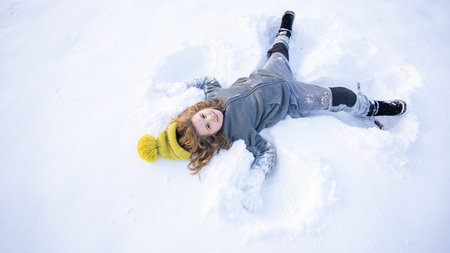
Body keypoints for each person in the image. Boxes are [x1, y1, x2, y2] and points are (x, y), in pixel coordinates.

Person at [137, 11, 406, 211]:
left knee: (279, 51)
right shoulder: (236, 135)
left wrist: (178, 87)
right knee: (341, 96)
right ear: (211, 139)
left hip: (269, 73)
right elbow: (266, 153)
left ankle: (284, 31)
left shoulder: (213, 99)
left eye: (202, 116)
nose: (210, 117)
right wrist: (256, 178)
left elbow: (206, 79)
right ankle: (372, 108)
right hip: (291, 98)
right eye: (208, 126)